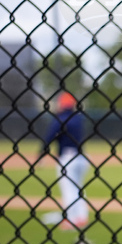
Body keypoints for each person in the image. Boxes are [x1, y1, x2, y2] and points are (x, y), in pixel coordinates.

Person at [41, 91, 89, 230]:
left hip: (68, 157)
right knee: (78, 188)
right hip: (81, 156)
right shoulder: (78, 118)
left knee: (69, 189)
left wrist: (42, 152)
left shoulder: (61, 119)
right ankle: (81, 217)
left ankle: (71, 220)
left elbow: (51, 136)